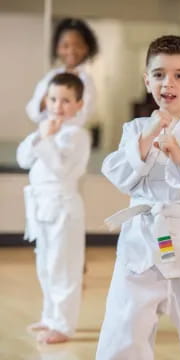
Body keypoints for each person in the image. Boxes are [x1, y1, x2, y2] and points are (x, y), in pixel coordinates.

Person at [96, 35, 180, 359]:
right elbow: (118, 174)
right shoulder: (136, 128)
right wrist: (147, 137)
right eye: (158, 74)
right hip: (142, 239)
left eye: (179, 75)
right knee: (124, 324)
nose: (167, 83)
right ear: (147, 80)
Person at [16, 73, 90, 344]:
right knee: (45, 265)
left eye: (66, 100)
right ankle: (50, 316)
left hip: (63, 208)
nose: (58, 106)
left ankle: (63, 324)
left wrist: (46, 140)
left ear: (79, 104)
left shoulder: (77, 135)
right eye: (53, 98)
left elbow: (60, 170)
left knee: (64, 267)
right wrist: (42, 135)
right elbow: (23, 158)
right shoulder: (45, 128)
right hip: (41, 207)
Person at [26, 18, 98, 126]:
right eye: (65, 46)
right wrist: (48, 96)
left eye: (77, 45)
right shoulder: (51, 77)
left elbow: (83, 116)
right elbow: (32, 110)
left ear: (86, 48)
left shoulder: (86, 81)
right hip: (47, 133)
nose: (71, 51)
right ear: (57, 49)